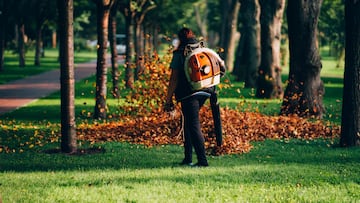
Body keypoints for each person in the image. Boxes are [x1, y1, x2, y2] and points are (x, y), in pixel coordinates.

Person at [164, 27, 224, 167]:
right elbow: (220, 67)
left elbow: (174, 78)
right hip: (207, 90)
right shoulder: (202, 48)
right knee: (187, 122)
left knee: (193, 124)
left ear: (180, 39)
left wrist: (168, 99)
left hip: (189, 94)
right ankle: (187, 158)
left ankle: (202, 161)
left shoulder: (180, 53)